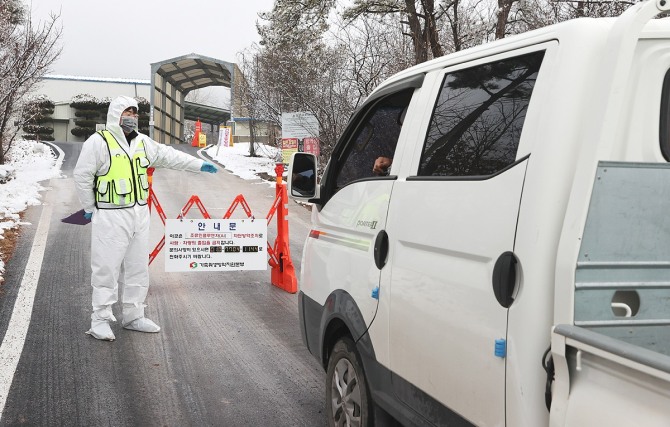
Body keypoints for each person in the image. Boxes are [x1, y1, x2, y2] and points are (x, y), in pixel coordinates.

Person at [73, 95, 218, 341]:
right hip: (110, 214)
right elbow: (82, 175)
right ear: (116, 115)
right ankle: (99, 318)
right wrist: (88, 206)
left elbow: (170, 156)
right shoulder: (99, 142)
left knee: (138, 267)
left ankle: (133, 315)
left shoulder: (143, 142)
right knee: (106, 268)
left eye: (135, 112)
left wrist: (198, 165)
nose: (132, 117)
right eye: (127, 112)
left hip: (139, 213)